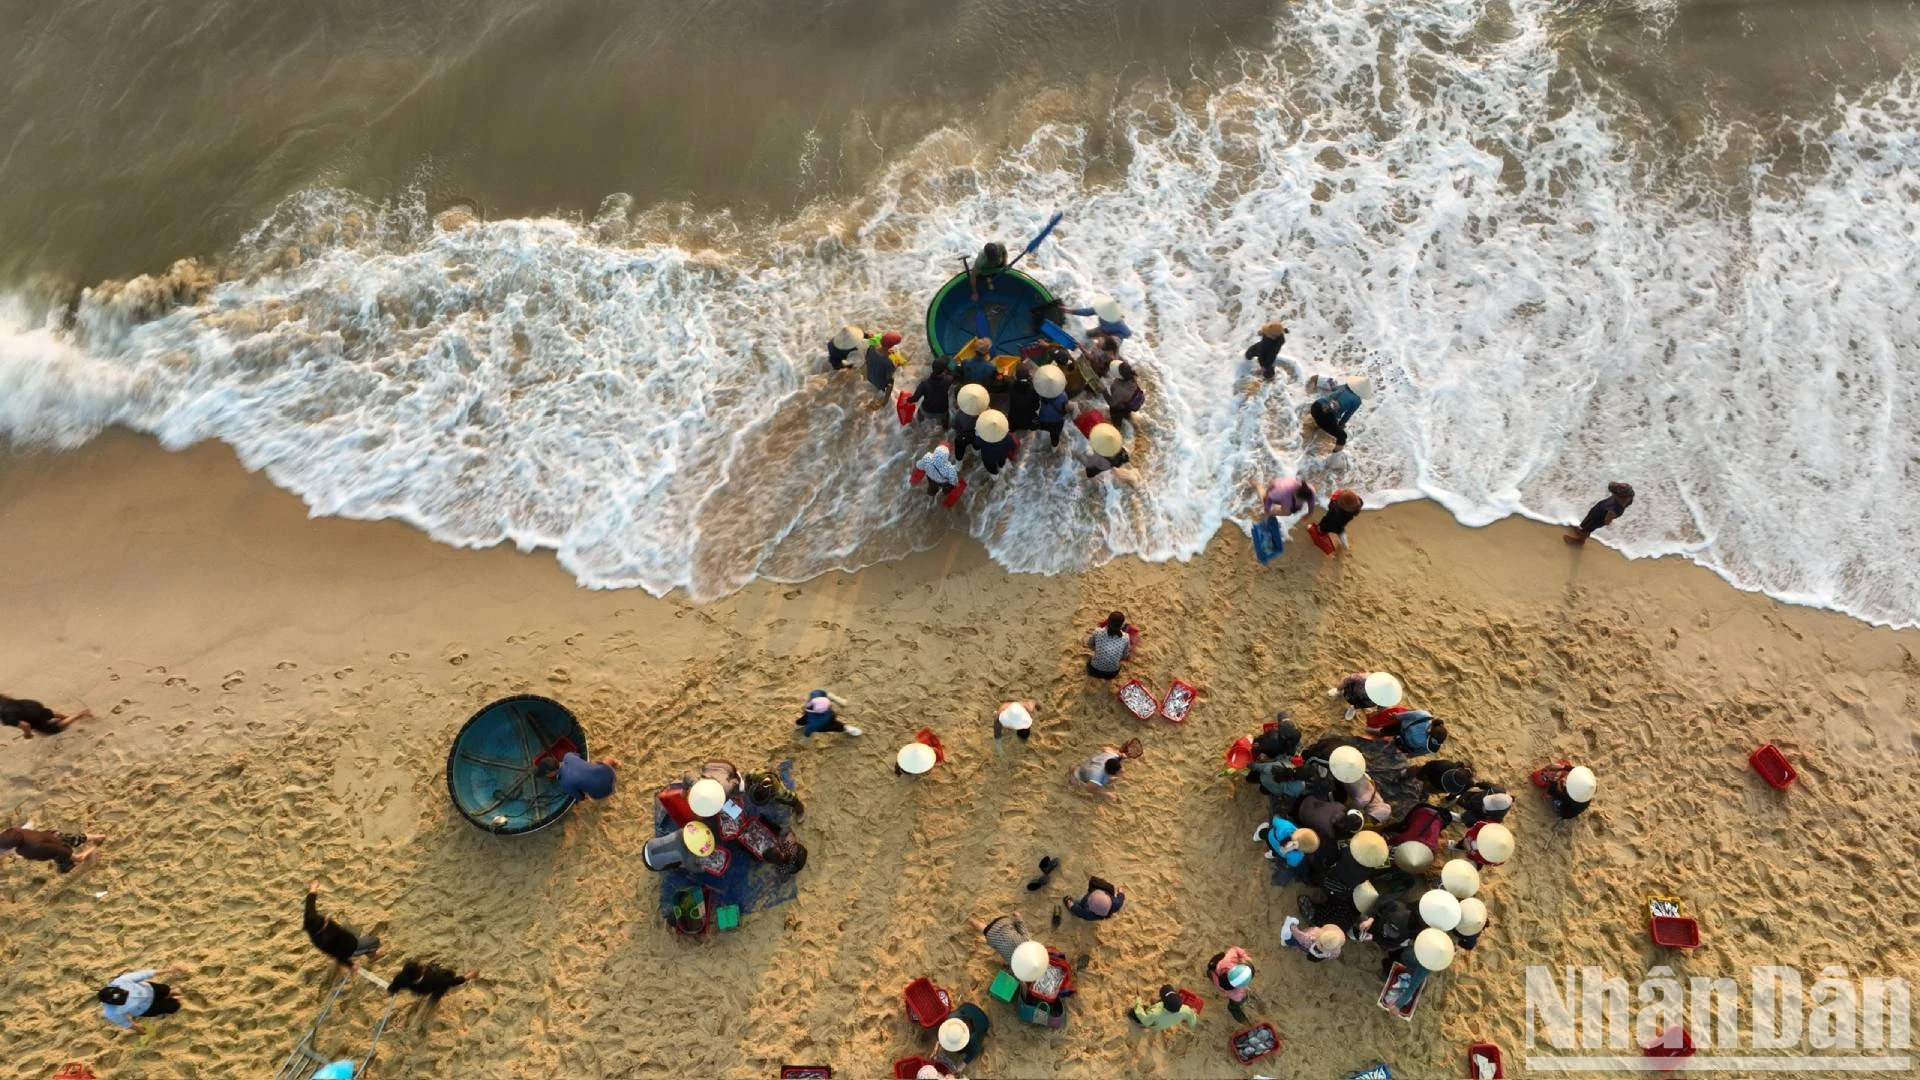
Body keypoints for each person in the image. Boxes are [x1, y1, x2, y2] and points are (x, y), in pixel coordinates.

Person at [305, 880, 380, 971]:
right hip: (351, 947)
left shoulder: (310, 918)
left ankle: (343, 959)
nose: (326, 919)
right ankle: (372, 956)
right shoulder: (324, 941)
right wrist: (351, 965)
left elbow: (310, 901)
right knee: (375, 941)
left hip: (343, 936)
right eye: (325, 922)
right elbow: (337, 955)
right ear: (322, 928)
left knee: (349, 927)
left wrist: (313, 887)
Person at [99, 966, 187, 1033]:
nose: (128, 997)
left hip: (149, 989)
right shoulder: (111, 1012)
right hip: (146, 1008)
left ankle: (171, 993)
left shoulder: (121, 981)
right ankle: (176, 1000)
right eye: (124, 1000)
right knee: (174, 1006)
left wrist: (169, 970)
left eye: (125, 993)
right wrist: (138, 1029)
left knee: (166, 989)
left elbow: (144, 974)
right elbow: (124, 1022)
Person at [1, 825, 102, 873]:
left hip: (56, 848)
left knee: (68, 865)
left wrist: (90, 850)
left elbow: (60, 851)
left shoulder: (26, 850)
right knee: (76, 838)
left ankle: (93, 848)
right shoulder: (16, 830)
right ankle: (99, 837)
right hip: (52, 835)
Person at [1308, 376, 1371, 448]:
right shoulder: (1357, 400)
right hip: (1326, 415)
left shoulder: (1344, 386)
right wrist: (1340, 425)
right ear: (1363, 392)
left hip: (1315, 406)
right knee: (1342, 436)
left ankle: (1316, 427)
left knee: (1326, 422)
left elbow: (1333, 388)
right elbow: (1347, 415)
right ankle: (1333, 458)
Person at [1565, 482, 1634, 545]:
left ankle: (1580, 540)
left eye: (1613, 494)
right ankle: (1580, 529)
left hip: (1598, 519)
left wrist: (1609, 516)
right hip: (1599, 509)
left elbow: (1607, 522)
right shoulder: (1628, 492)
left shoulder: (1614, 510)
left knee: (1588, 529)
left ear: (1619, 497)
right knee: (1586, 522)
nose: (1612, 494)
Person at [388, 959, 479, 1003]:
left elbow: (392, 988)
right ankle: (434, 999)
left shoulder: (400, 978)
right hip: (431, 987)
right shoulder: (436, 978)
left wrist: (393, 991)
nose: (422, 963)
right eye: (421, 966)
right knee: (449, 976)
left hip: (418, 990)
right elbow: (453, 982)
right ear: (421, 971)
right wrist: (469, 976)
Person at [540, 751, 617, 801]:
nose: (546, 776)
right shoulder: (568, 756)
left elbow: (581, 797)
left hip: (606, 791)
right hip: (610, 773)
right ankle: (616, 762)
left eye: (546, 774)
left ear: (551, 772)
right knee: (604, 761)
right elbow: (578, 755)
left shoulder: (564, 783)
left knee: (589, 794)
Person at [1206, 946, 1255, 1022]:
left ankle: (1210, 972)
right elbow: (1238, 998)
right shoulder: (1236, 994)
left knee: (1212, 973)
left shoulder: (1228, 961)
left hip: (1216, 967)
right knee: (1234, 1005)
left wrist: (1245, 956)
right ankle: (1236, 1013)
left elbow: (1235, 949)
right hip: (1216, 974)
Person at [4, 695, 91, 738]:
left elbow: (25, 725)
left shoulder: (5, 717)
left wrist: (28, 734)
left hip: (34, 717)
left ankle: (78, 715)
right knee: (45, 712)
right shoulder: (3, 698)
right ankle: (65, 717)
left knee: (51, 729)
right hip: (31, 704)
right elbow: (8, 698)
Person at [794, 689, 863, 738]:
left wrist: (837, 699)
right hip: (812, 715)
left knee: (835, 725)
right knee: (804, 719)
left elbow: (809, 729)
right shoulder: (816, 697)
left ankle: (846, 728)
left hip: (819, 719)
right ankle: (799, 724)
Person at [1085, 611, 1133, 678]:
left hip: (1094, 670)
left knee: (1089, 661)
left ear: (1108, 621)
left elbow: (1089, 644)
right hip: (1111, 674)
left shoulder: (1098, 632)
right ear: (1121, 625)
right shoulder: (1126, 637)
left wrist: (1097, 648)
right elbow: (1125, 656)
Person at [1128, 985, 1199, 1030]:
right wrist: (1193, 1013)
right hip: (1166, 1021)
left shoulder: (1155, 1014)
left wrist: (1138, 999)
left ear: (1164, 1004)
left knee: (1133, 1012)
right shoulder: (1185, 1009)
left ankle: (1141, 1026)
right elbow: (1192, 1023)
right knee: (1154, 1001)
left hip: (1155, 1024)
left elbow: (1144, 1019)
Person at [907, 361, 955, 426]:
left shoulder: (924, 384)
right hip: (942, 411)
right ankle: (945, 428)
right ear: (944, 371)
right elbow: (954, 375)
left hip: (927, 411)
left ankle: (919, 424)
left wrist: (907, 400)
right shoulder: (948, 380)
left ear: (933, 368)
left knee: (920, 412)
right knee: (946, 417)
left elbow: (915, 399)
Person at [1066, 295, 1133, 339]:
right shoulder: (1102, 309)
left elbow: (1128, 334)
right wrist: (1071, 311)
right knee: (1087, 334)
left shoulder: (1119, 323)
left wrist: (1111, 337)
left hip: (1113, 337)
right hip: (1102, 329)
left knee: (1103, 348)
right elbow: (1087, 312)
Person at [1282, 920, 1347, 962]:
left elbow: (1299, 935)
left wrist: (1293, 926)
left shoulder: (1310, 937)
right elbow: (1332, 957)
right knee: (1306, 949)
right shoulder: (1336, 951)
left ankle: (1286, 942)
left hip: (1306, 943)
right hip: (1313, 950)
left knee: (1295, 941)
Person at [864, 331, 905, 396]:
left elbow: (866, 360)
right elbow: (889, 381)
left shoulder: (871, 348)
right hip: (880, 385)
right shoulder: (889, 362)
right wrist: (896, 365)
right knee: (892, 379)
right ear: (892, 346)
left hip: (869, 377)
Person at [1105, 363, 1146, 427]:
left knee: (1116, 423)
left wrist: (1104, 391)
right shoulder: (1132, 376)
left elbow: (1112, 403)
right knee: (1126, 414)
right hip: (1129, 403)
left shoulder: (1121, 390)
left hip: (1120, 408)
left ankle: (1118, 429)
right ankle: (1127, 417)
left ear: (1121, 376)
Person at [1006, 364, 1040, 433]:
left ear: (1016, 376)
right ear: (1028, 375)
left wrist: (1006, 375)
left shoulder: (1010, 386)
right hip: (1028, 420)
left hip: (1013, 420)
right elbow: (1036, 407)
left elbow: (1008, 381)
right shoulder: (1034, 390)